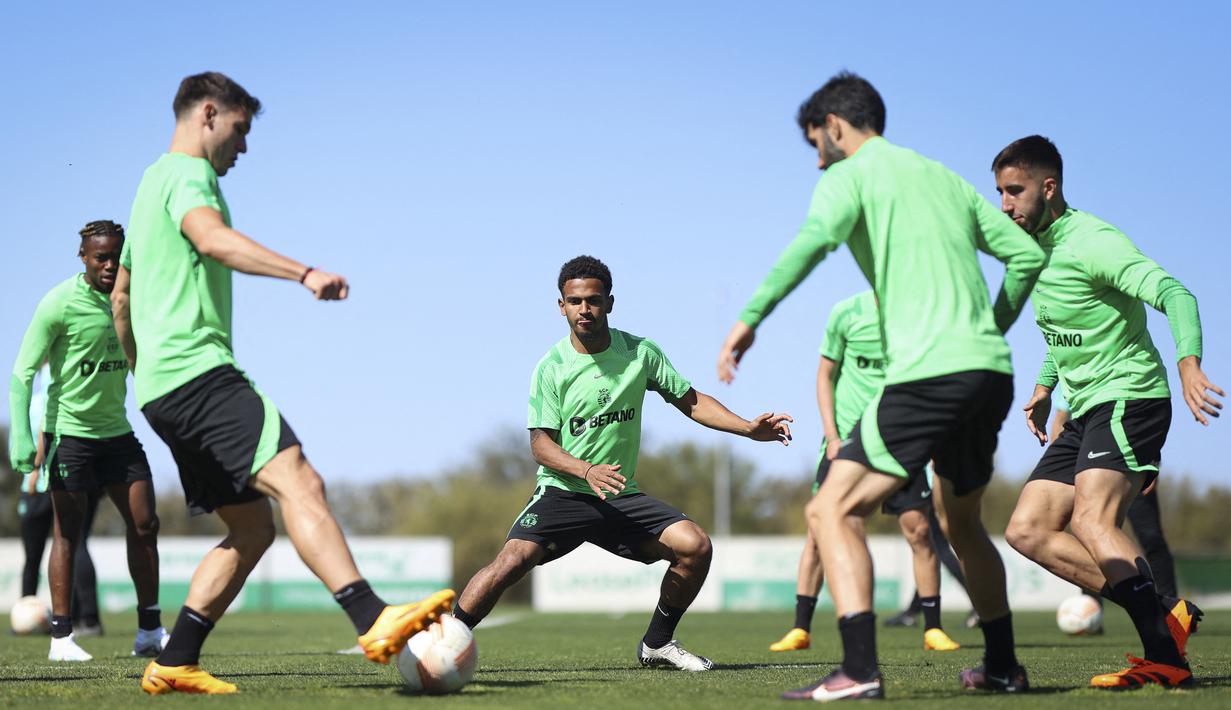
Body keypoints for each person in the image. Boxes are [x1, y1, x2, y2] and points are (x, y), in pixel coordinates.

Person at [113, 71, 453, 694]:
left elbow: (122, 298)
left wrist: (144, 377)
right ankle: (371, 617)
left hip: (162, 390)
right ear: (209, 114)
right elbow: (212, 240)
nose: (242, 148)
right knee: (300, 478)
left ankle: (175, 659)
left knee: (251, 528)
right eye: (240, 131)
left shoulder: (146, 185)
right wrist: (304, 273)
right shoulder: (191, 177)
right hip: (199, 373)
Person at [716, 72, 1045, 701]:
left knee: (830, 508)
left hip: (930, 373)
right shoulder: (944, 176)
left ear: (836, 127)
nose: (817, 160)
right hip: (989, 372)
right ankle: (1002, 666)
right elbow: (1027, 257)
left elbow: (812, 243)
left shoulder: (849, 175)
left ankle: (860, 670)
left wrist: (748, 319)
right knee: (964, 525)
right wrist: (990, 327)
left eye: (817, 143)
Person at [451, 255, 793, 672]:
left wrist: (746, 427)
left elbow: (692, 401)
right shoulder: (551, 368)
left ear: (610, 303)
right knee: (510, 562)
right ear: (560, 305)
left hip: (619, 495)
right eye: (574, 301)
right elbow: (541, 446)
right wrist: (585, 470)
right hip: (564, 492)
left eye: (593, 301)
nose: (584, 310)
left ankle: (657, 644)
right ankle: (447, 639)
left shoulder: (640, 354)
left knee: (695, 546)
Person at [995, 135, 1220, 689]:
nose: (1005, 204)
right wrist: (1047, 385)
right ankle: (1165, 611)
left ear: (1049, 187)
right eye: (999, 192)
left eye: (1014, 191)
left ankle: (1164, 656)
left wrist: (1189, 364)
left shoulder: (1093, 240)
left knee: (1091, 519)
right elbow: (1068, 325)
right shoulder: (1035, 250)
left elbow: (1176, 293)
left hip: (1131, 396)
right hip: (1084, 408)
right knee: (1027, 529)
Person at [769, 291, 961, 654]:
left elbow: (928, 383)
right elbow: (824, 376)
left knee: (919, 531)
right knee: (818, 532)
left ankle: (933, 628)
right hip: (845, 443)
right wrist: (832, 435)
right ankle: (800, 629)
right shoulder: (846, 313)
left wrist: (933, 439)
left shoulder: (916, 314)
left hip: (901, 442)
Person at [9, 221, 167, 661]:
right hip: (70, 436)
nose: (110, 265)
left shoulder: (132, 300)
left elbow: (144, 363)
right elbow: (22, 374)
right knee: (67, 533)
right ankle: (62, 638)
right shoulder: (58, 303)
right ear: (84, 257)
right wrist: (22, 435)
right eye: (101, 257)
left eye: (117, 257)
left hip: (117, 434)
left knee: (145, 525)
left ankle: (150, 631)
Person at [1051, 386, 1179, 602]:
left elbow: (1144, 417)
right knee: (1087, 535)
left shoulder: (1122, 368)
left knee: (1151, 538)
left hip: (1130, 465)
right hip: (1090, 472)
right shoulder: (1071, 376)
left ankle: (1172, 608)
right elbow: (1060, 420)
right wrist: (1059, 466)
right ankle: (1091, 605)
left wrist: (1152, 460)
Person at [16, 365, 103, 638]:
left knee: (58, 549)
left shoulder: (49, 399)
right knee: (70, 547)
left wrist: (34, 469)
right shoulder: (75, 395)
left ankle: (80, 617)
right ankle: (83, 618)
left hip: (44, 484)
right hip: (71, 480)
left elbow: (45, 429)